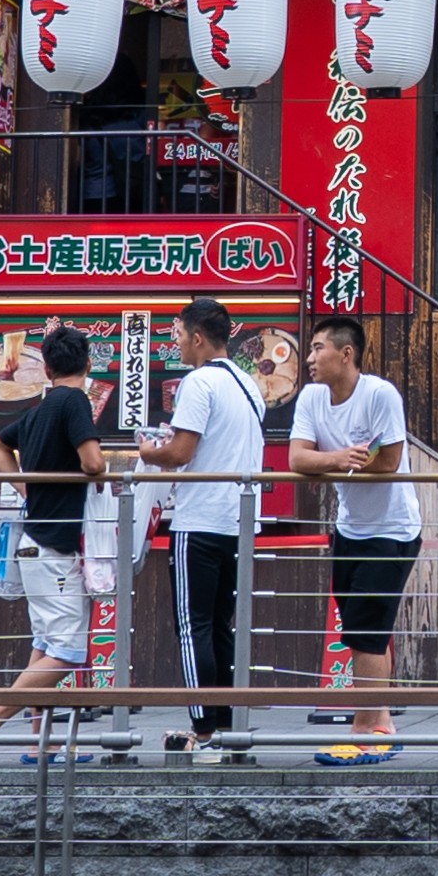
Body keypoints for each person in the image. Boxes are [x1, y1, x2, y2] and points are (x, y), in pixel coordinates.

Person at [133, 298, 266, 754]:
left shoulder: (198, 382)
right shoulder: (249, 384)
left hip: (199, 519)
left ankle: (203, 731)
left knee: (193, 628)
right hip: (239, 521)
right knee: (222, 626)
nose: (175, 343)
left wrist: (149, 451)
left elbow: (181, 452)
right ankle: (227, 722)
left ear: (198, 338)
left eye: (178, 335)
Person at [0, 325, 109, 748]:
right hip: (55, 546)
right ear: (87, 364)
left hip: (34, 540)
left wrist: (25, 486)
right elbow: (94, 463)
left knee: (45, 643)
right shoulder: (76, 402)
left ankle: (38, 742)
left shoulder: (38, 410)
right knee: (66, 652)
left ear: (45, 368)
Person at [287, 312, 419, 764]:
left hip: (392, 530)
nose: (309, 358)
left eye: (318, 348)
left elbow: (389, 461)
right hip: (349, 529)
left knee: (366, 630)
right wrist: (343, 457)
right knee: (359, 628)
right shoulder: (311, 398)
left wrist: (337, 461)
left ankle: (367, 728)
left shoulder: (379, 393)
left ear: (346, 354)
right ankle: (381, 717)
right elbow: (297, 459)